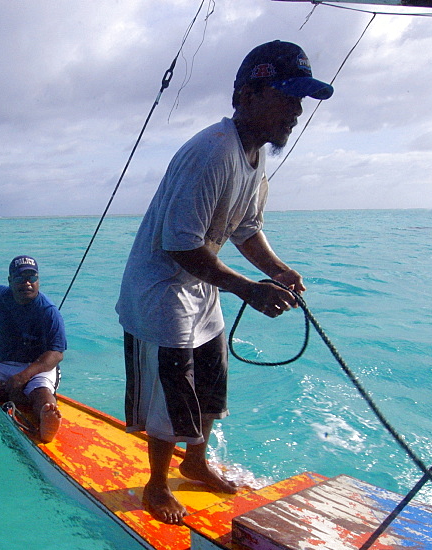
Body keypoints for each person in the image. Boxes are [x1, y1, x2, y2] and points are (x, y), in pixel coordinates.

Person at [115, 40, 333, 524]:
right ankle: (155, 485)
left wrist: (274, 269)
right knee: (175, 387)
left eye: (302, 101)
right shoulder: (212, 153)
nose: (297, 112)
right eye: (289, 96)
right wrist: (248, 288)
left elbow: (246, 229)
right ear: (248, 95)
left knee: (212, 377)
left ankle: (194, 463)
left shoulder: (255, 160)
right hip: (160, 290)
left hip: (200, 283)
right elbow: (179, 244)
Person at [0, 255, 67, 443]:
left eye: (32, 278)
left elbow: (56, 354)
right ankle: (18, 396)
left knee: (43, 396)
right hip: (6, 364)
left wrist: (23, 377)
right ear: (10, 281)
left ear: (38, 280)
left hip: (38, 367)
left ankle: (46, 416)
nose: (27, 283)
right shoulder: (0, 294)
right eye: (20, 278)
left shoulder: (48, 311)